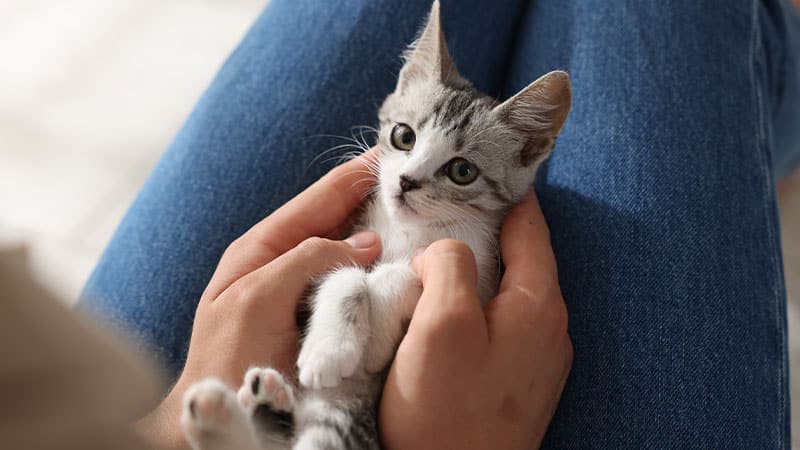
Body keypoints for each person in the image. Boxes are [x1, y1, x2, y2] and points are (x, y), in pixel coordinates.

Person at [80, 0, 800, 448]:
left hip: (173, 415)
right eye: (400, 140)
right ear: (394, 107)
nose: (411, 176)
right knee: (680, 14)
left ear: (526, 154)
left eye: (457, 171)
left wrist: (168, 423)